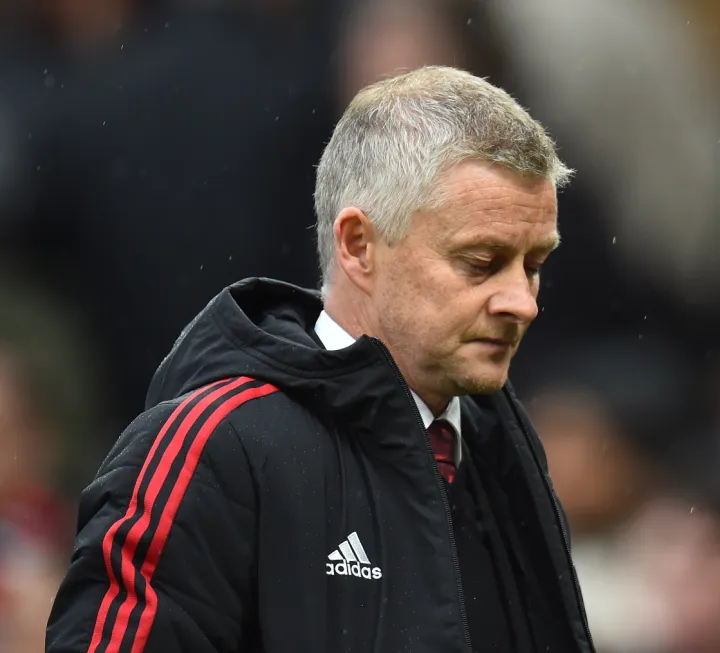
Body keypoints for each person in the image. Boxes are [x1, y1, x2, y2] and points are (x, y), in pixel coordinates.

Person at [45, 66, 594, 653]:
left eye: (533, 266)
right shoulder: (216, 447)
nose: (523, 303)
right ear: (358, 245)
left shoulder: (501, 441)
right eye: (481, 262)